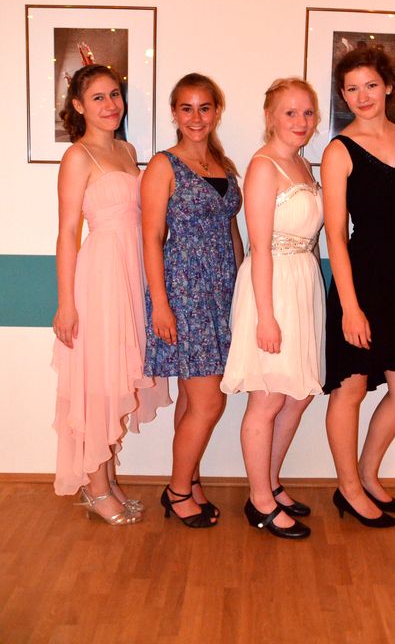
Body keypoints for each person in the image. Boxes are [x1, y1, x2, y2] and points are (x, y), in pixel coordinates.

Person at [52, 64, 170, 525]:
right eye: (98, 97)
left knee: (117, 372)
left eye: (114, 95)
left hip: (131, 272)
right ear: (78, 106)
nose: (110, 105)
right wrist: (66, 303)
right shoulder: (77, 156)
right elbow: (67, 232)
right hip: (100, 277)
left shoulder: (128, 150)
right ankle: (95, 485)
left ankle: (107, 476)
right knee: (99, 379)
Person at [321, 45, 395, 528]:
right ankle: (347, 488)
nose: (362, 96)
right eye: (351, 89)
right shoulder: (338, 151)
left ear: (388, 86)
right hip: (357, 280)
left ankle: (367, 473)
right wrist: (349, 307)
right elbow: (335, 235)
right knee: (351, 388)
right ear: (343, 96)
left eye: (370, 85)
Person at [221, 78, 325, 540]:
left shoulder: (301, 162)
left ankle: (271, 483)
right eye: (290, 112)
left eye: (308, 112)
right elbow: (259, 247)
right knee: (267, 397)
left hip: (301, 282)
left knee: (297, 394)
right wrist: (265, 316)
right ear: (270, 117)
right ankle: (260, 501)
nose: (301, 121)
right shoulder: (263, 166)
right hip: (273, 285)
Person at [142, 73, 243, 529]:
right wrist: (161, 305)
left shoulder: (223, 164)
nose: (196, 117)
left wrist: (243, 289)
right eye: (187, 108)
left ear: (216, 111)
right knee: (208, 402)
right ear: (174, 113)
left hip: (221, 291)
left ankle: (190, 481)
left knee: (191, 398)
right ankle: (178, 492)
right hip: (184, 292)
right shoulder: (163, 165)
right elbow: (151, 237)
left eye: (205, 107)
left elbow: (231, 230)